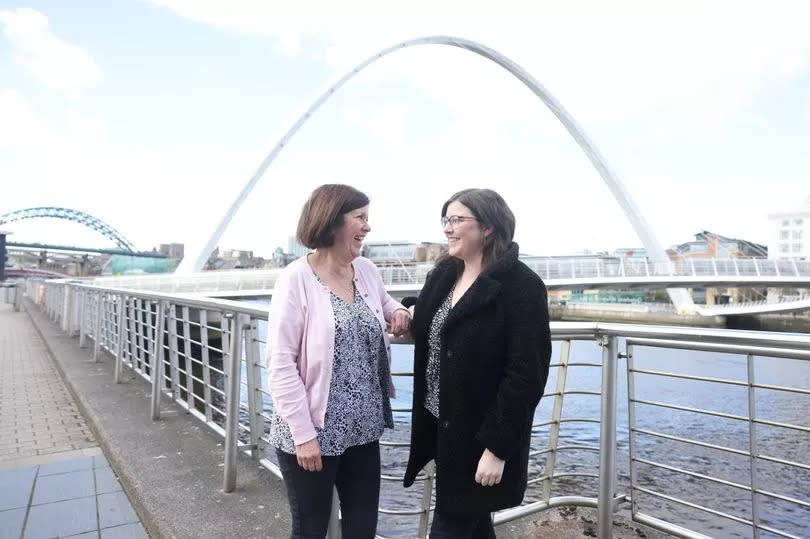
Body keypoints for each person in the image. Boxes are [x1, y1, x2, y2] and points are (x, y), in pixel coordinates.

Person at [403, 188, 552, 538]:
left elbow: (527, 374)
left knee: (452, 524)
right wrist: (407, 310)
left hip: (480, 436)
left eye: (457, 220)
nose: (448, 228)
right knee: (473, 523)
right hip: (443, 427)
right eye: (446, 220)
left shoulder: (521, 286)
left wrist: (497, 448)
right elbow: (436, 316)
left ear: (487, 227)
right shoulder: (444, 274)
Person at [267, 184, 412, 539]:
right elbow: (281, 363)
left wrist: (398, 311)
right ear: (332, 221)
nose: (367, 227)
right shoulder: (295, 278)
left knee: (362, 530)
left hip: (364, 428)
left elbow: (382, 303)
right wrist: (304, 436)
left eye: (367, 218)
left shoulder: (364, 269)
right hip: (312, 431)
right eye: (360, 218)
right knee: (310, 530)